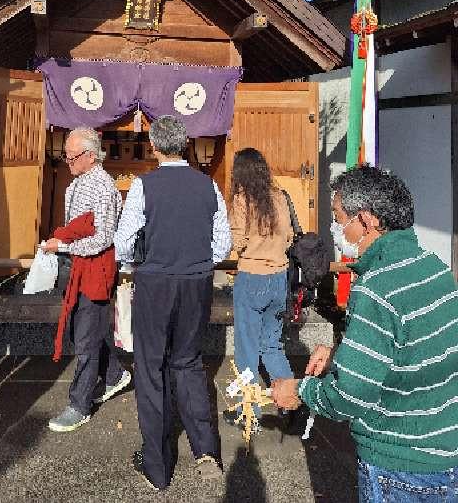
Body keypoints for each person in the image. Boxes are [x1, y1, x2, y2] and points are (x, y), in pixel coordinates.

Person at [272, 164, 458, 502]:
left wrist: (300, 390)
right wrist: (343, 356)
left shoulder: (375, 288)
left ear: (366, 220)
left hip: (398, 465)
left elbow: (350, 396)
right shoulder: (435, 267)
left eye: (340, 216)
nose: (336, 227)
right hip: (445, 451)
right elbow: (411, 349)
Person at [114, 115, 232, 491]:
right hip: (196, 282)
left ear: (155, 146)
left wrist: (137, 263)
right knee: (189, 362)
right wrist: (197, 261)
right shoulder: (208, 186)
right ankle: (206, 452)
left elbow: (125, 240)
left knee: (149, 368)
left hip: (155, 281)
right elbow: (222, 243)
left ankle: (158, 466)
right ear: (184, 145)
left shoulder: (143, 186)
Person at [44, 127, 131, 433]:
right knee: (82, 330)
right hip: (75, 266)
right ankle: (114, 374)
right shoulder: (75, 184)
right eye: (65, 155)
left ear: (91, 156)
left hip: (94, 267)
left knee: (84, 339)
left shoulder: (104, 187)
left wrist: (62, 245)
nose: (67, 160)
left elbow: (102, 239)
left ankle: (79, 404)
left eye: (72, 156)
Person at [223, 147, 294, 428]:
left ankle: (248, 412)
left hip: (252, 277)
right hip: (279, 278)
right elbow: (289, 237)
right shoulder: (280, 197)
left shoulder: (242, 201)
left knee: (247, 351)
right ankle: (290, 404)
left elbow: (236, 243)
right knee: (272, 345)